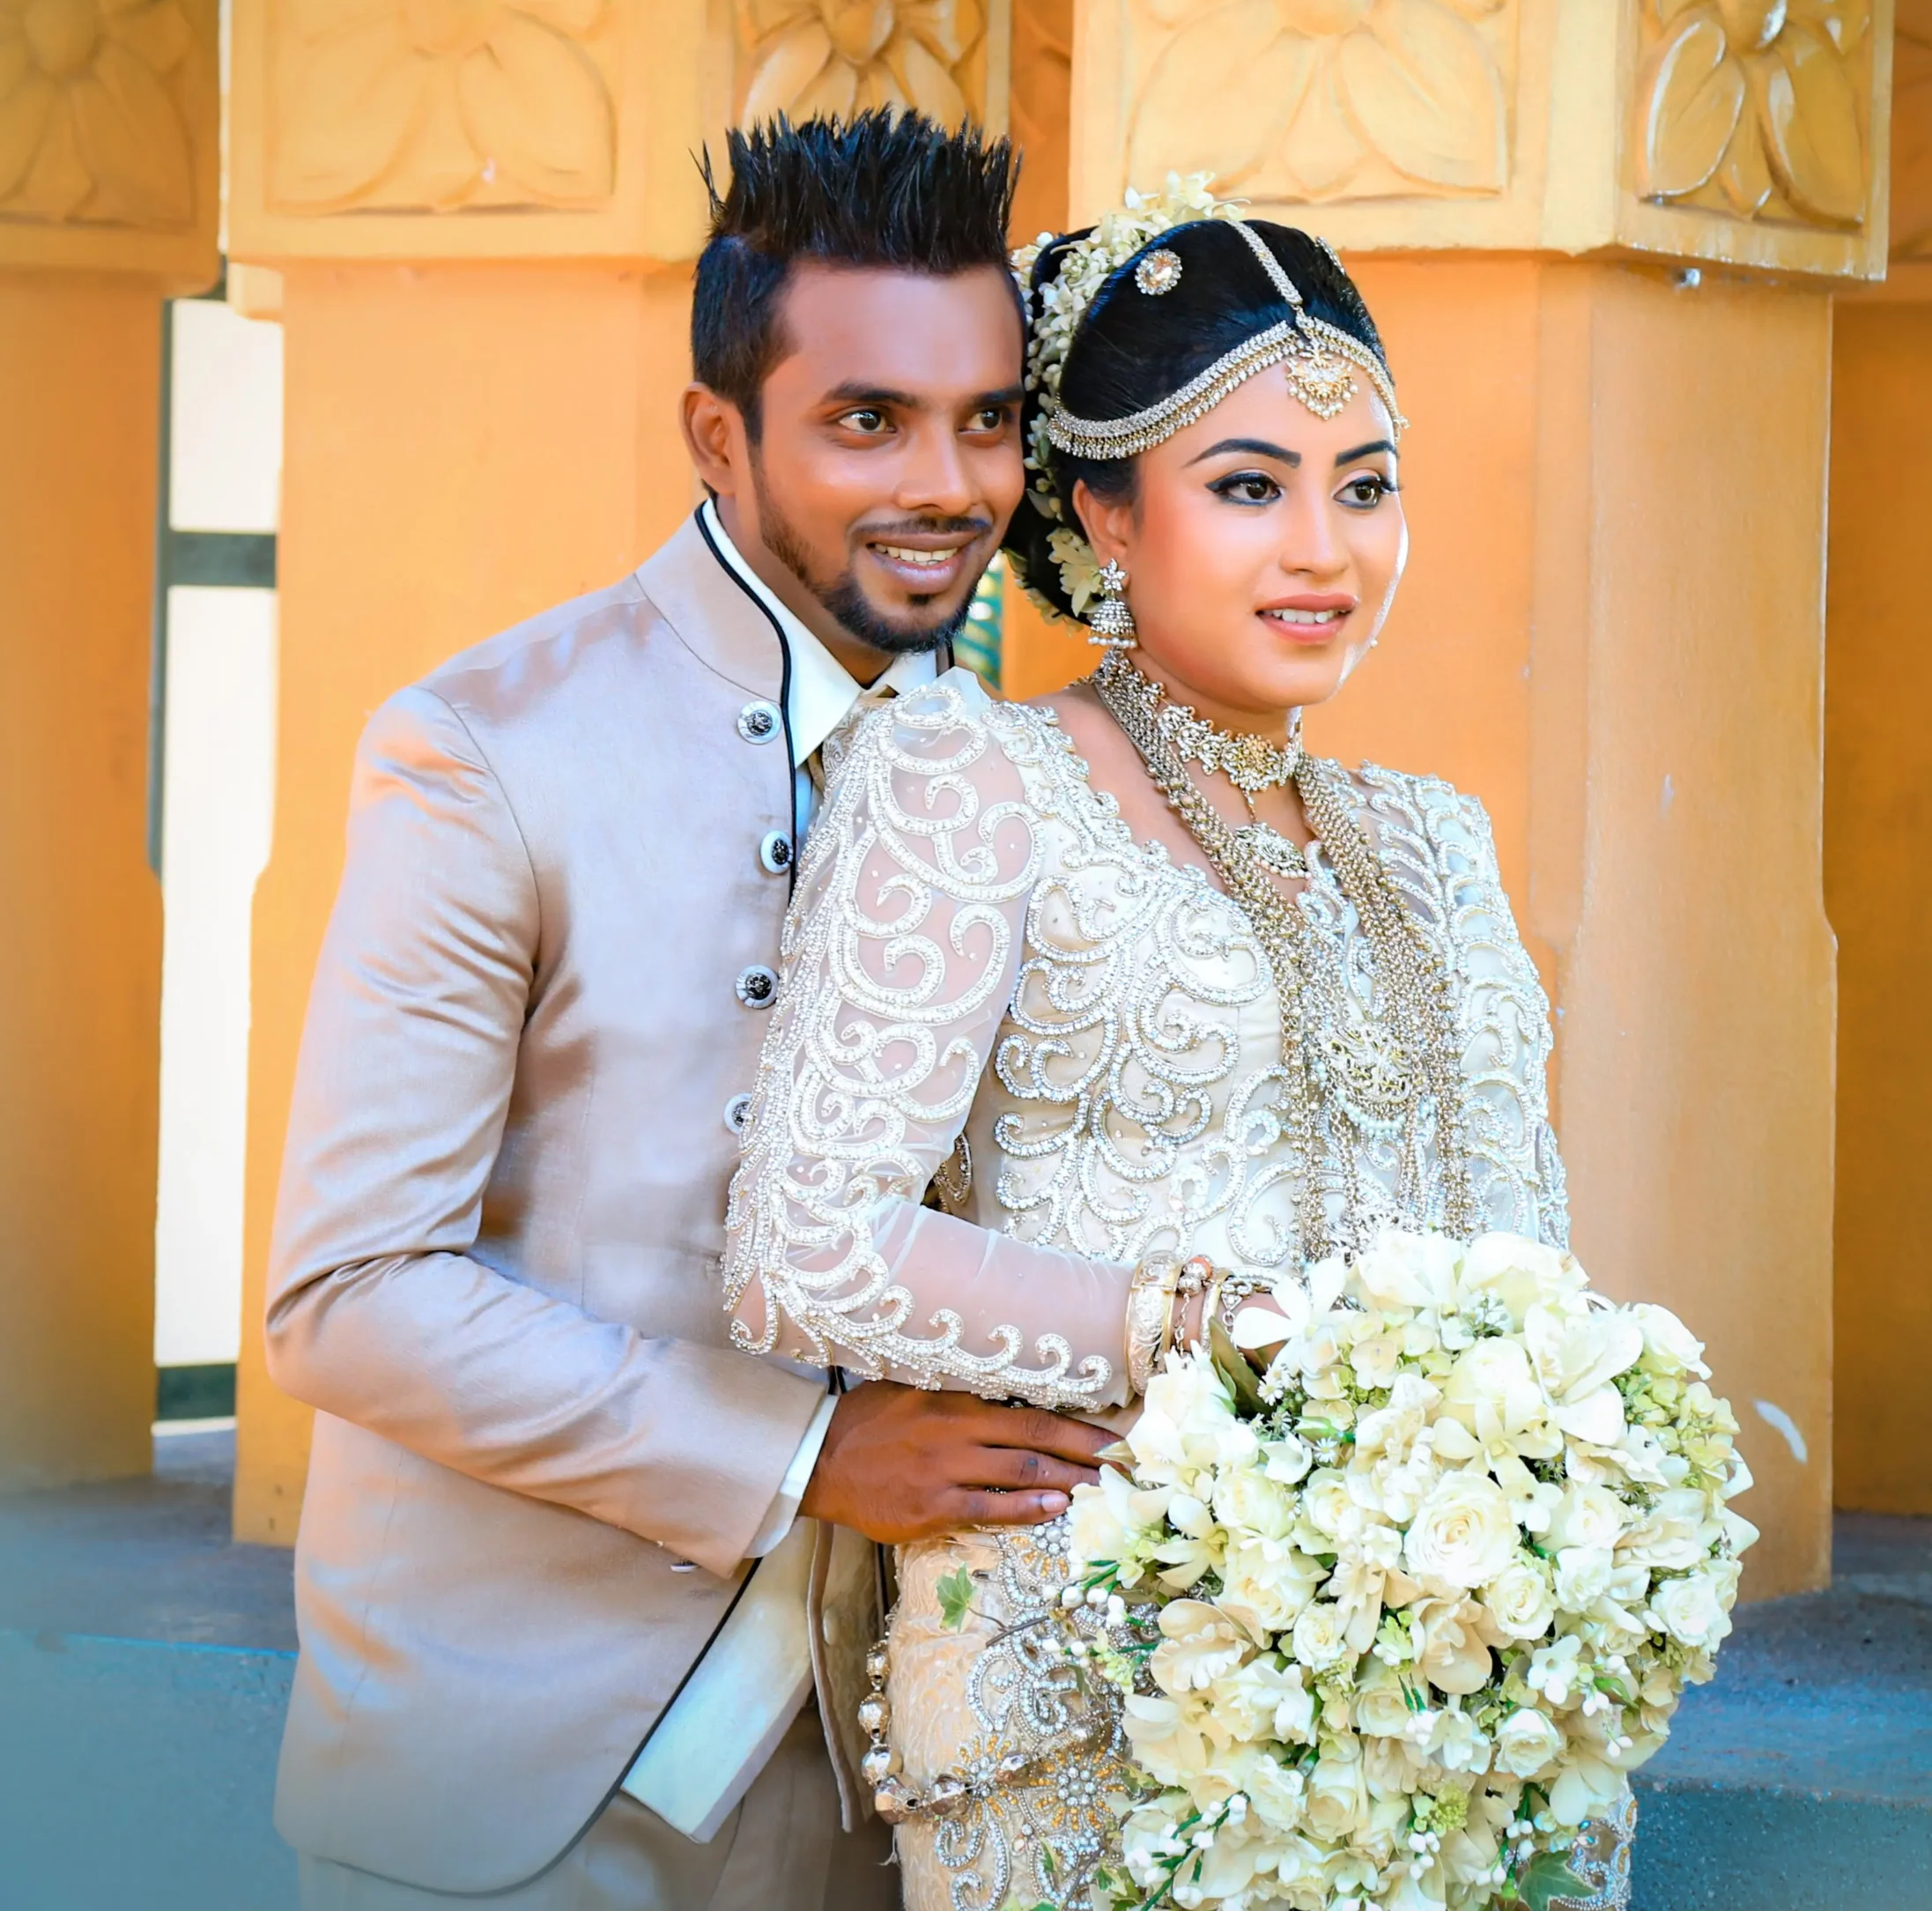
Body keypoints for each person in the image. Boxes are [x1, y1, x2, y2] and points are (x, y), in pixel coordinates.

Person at [722, 179, 1627, 1911]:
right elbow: (802, 1249)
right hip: (1094, 1692)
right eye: (1246, 487)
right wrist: (1194, 1323)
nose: (1323, 548)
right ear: (1103, 514)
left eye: (1365, 489)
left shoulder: (1433, 840)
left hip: (1450, 1674)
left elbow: (1527, 1262)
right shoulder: (971, 788)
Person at [264, 111, 1121, 1911]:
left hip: (916, 1781)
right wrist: (806, 1449)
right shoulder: (486, 749)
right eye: (866, 418)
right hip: (528, 1787)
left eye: (985, 419)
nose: (948, 483)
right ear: (717, 433)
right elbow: (347, 1295)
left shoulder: (1037, 777)